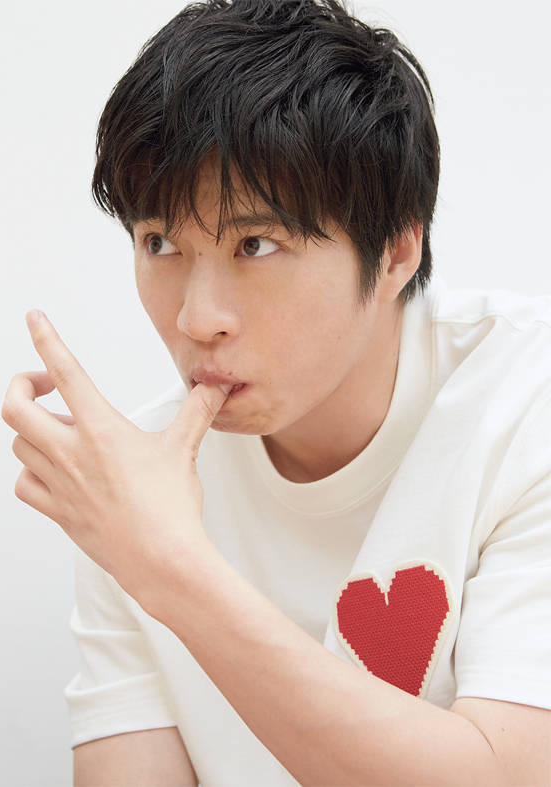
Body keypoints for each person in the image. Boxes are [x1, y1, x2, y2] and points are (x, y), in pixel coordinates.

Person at [63, 0, 551, 784]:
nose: (197, 318)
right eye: (159, 242)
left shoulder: (523, 401)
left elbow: (509, 773)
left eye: (255, 243)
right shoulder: (138, 486)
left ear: (397, 251)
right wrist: (143, 547)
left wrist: (173, 570)